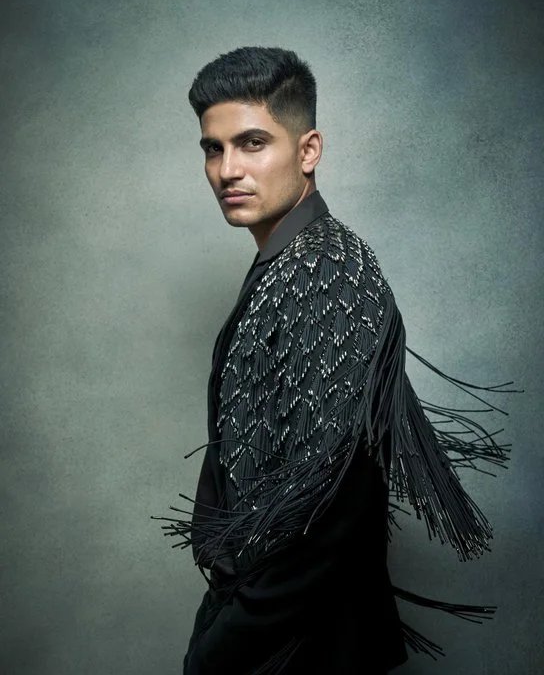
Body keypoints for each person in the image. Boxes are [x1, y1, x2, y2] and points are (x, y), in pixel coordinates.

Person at [153, 46, 519, 674]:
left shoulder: (325, 273)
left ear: (309, 151)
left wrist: (218, 652)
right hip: (277, 625)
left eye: (252, 143)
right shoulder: (290, 262)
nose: (227, 170)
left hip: (305, 643)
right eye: (214, 149)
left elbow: (330, 511)